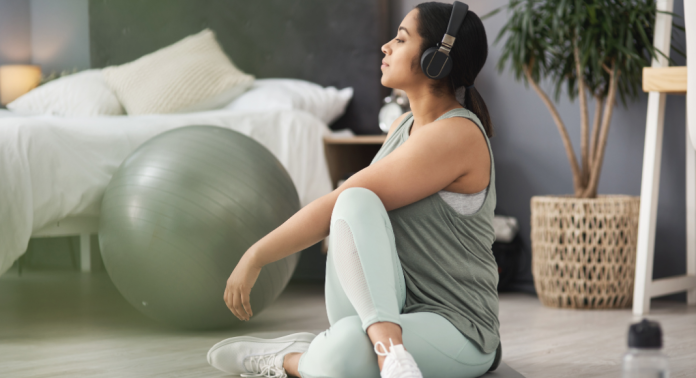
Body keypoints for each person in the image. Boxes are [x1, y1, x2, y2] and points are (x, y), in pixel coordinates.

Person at [207, 2, 501, 377]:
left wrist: (257, 255)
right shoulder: (402, 128)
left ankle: (294, 360)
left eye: (401, 39)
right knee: (355, 198)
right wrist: (255, 256)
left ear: (435, 60)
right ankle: (387, 351)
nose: (386, 47)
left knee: (344, 349)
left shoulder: (456, 133)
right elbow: (346, 208)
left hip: (459, 329)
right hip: (391, 309)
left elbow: (330, 205)